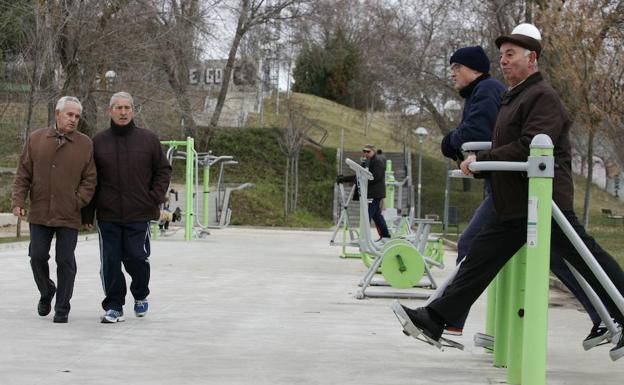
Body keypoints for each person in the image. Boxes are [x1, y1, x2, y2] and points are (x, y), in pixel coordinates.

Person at [392, 23, 624, 360]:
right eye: (501, 56)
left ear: (532, 58)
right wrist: (483, 163)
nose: (503, 61)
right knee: (478, 260)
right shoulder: (513, 98)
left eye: (511, 55)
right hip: (515, 202)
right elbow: (508, 145)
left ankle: (617, 310)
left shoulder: (542, 97)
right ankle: (436, 319)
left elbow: (530, 146)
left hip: (544, 201)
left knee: (586, 258)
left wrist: (483, 159)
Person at [440, 46, 603, 340]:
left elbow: (482, 134)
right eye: (501, 55)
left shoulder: (494, 90)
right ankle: (603, 314)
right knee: (553, 253)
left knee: (473, 244)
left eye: (457, 67)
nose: (452, 72)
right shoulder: (500, 93)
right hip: (508, 184)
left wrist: (454, 142)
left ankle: (448, 318)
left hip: (518, 187)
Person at [83, 92, 172, 324]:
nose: (123, 112)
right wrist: (87, 212)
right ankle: (114, 306)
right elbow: (90, 179)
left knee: (136, 258)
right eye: (118, 108)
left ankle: (140, 293)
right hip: (108, 214)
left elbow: (163, 170)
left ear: (133, 110)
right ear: (109, 111)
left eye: (127, 108)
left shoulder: (148, 140)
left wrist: (153, 197)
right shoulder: (98, 142)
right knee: (110, 261)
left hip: (139, 213)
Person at [12, 96, 97, 323]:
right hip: (40, 211)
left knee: (65, 260)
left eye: (77, 116)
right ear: (57, 114)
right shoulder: (36, 138)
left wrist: (77, 201)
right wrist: (18, 201)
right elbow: (23, 174)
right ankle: (47, 290)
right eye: (69, 114)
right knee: (37, 256)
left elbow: (90, 179)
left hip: (69, 213)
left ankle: (62, 307)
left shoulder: (85, 143)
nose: (73, 120)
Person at [337, 144, 391, 239]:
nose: (365, 153)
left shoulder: (377, 162)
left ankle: (364, 237)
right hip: (371, 193)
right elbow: (360, 176)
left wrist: (360, 179)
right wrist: (344, 178)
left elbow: (374, 177)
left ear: (373, 151)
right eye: (364, 151)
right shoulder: (368, 162)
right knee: (377, 216)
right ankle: (386, 236)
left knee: (367, 216)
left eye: (368, 151)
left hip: (374, 194)